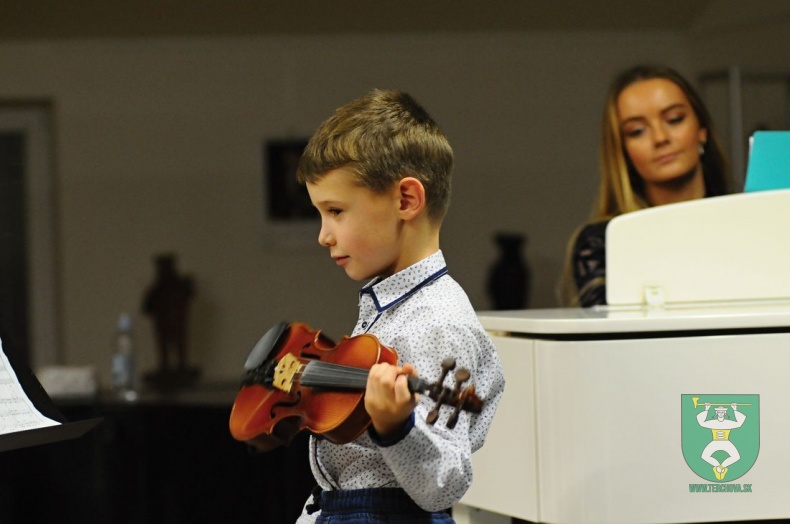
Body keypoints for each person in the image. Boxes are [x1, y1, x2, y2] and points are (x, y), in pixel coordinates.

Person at [291, 89, 505, 523]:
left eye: (336, 211)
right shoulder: (392, 304)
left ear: (406, 200)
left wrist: (396, 428)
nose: (323, 235)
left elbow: (445, 482)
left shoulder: (438, 321)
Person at [560, 64, 733, 307]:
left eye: (674, 119)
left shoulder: (745, 223)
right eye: (637, 131)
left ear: (702, 130)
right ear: (623, 150)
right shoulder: (603, 243)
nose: (660, 138)